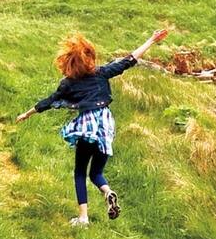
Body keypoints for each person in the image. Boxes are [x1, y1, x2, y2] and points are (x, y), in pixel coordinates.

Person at [15, 28, 170, 226]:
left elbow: (48, 101)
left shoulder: (68, 83)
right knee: (96, 173)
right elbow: (130, 59)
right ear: (90, 57)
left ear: (68, 61)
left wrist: (27, 114)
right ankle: (108, 192)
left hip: (88, 126)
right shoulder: (101, 73)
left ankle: (83, 218)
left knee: (80, 172)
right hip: (106, 124)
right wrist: (151, 39)